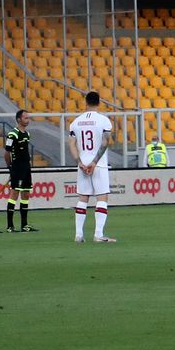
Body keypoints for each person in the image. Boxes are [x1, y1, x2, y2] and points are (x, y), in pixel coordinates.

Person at [69, 91, 117, 243]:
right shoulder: (104, 121)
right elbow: (105, 141)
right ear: (99, 102)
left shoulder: (75, 122)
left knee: (82, 199)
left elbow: (71, 144)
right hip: (99, 165)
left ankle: (78, 234)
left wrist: (80, 163)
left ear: (86, 102)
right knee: (102, 198)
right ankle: (98, 234)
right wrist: (94, 162)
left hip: (83, 165)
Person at [4, 109, 36, 232]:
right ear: (19, 119)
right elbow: (6, 153)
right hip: (17, 167)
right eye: (25, 118)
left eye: (28, 118)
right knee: (14, 194)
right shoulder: (13, 134)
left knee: (26, 194)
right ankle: (10, 225)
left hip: (26, 168)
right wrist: (11, 167)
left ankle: (24, 224)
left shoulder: (27, 134)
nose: (28, 120)